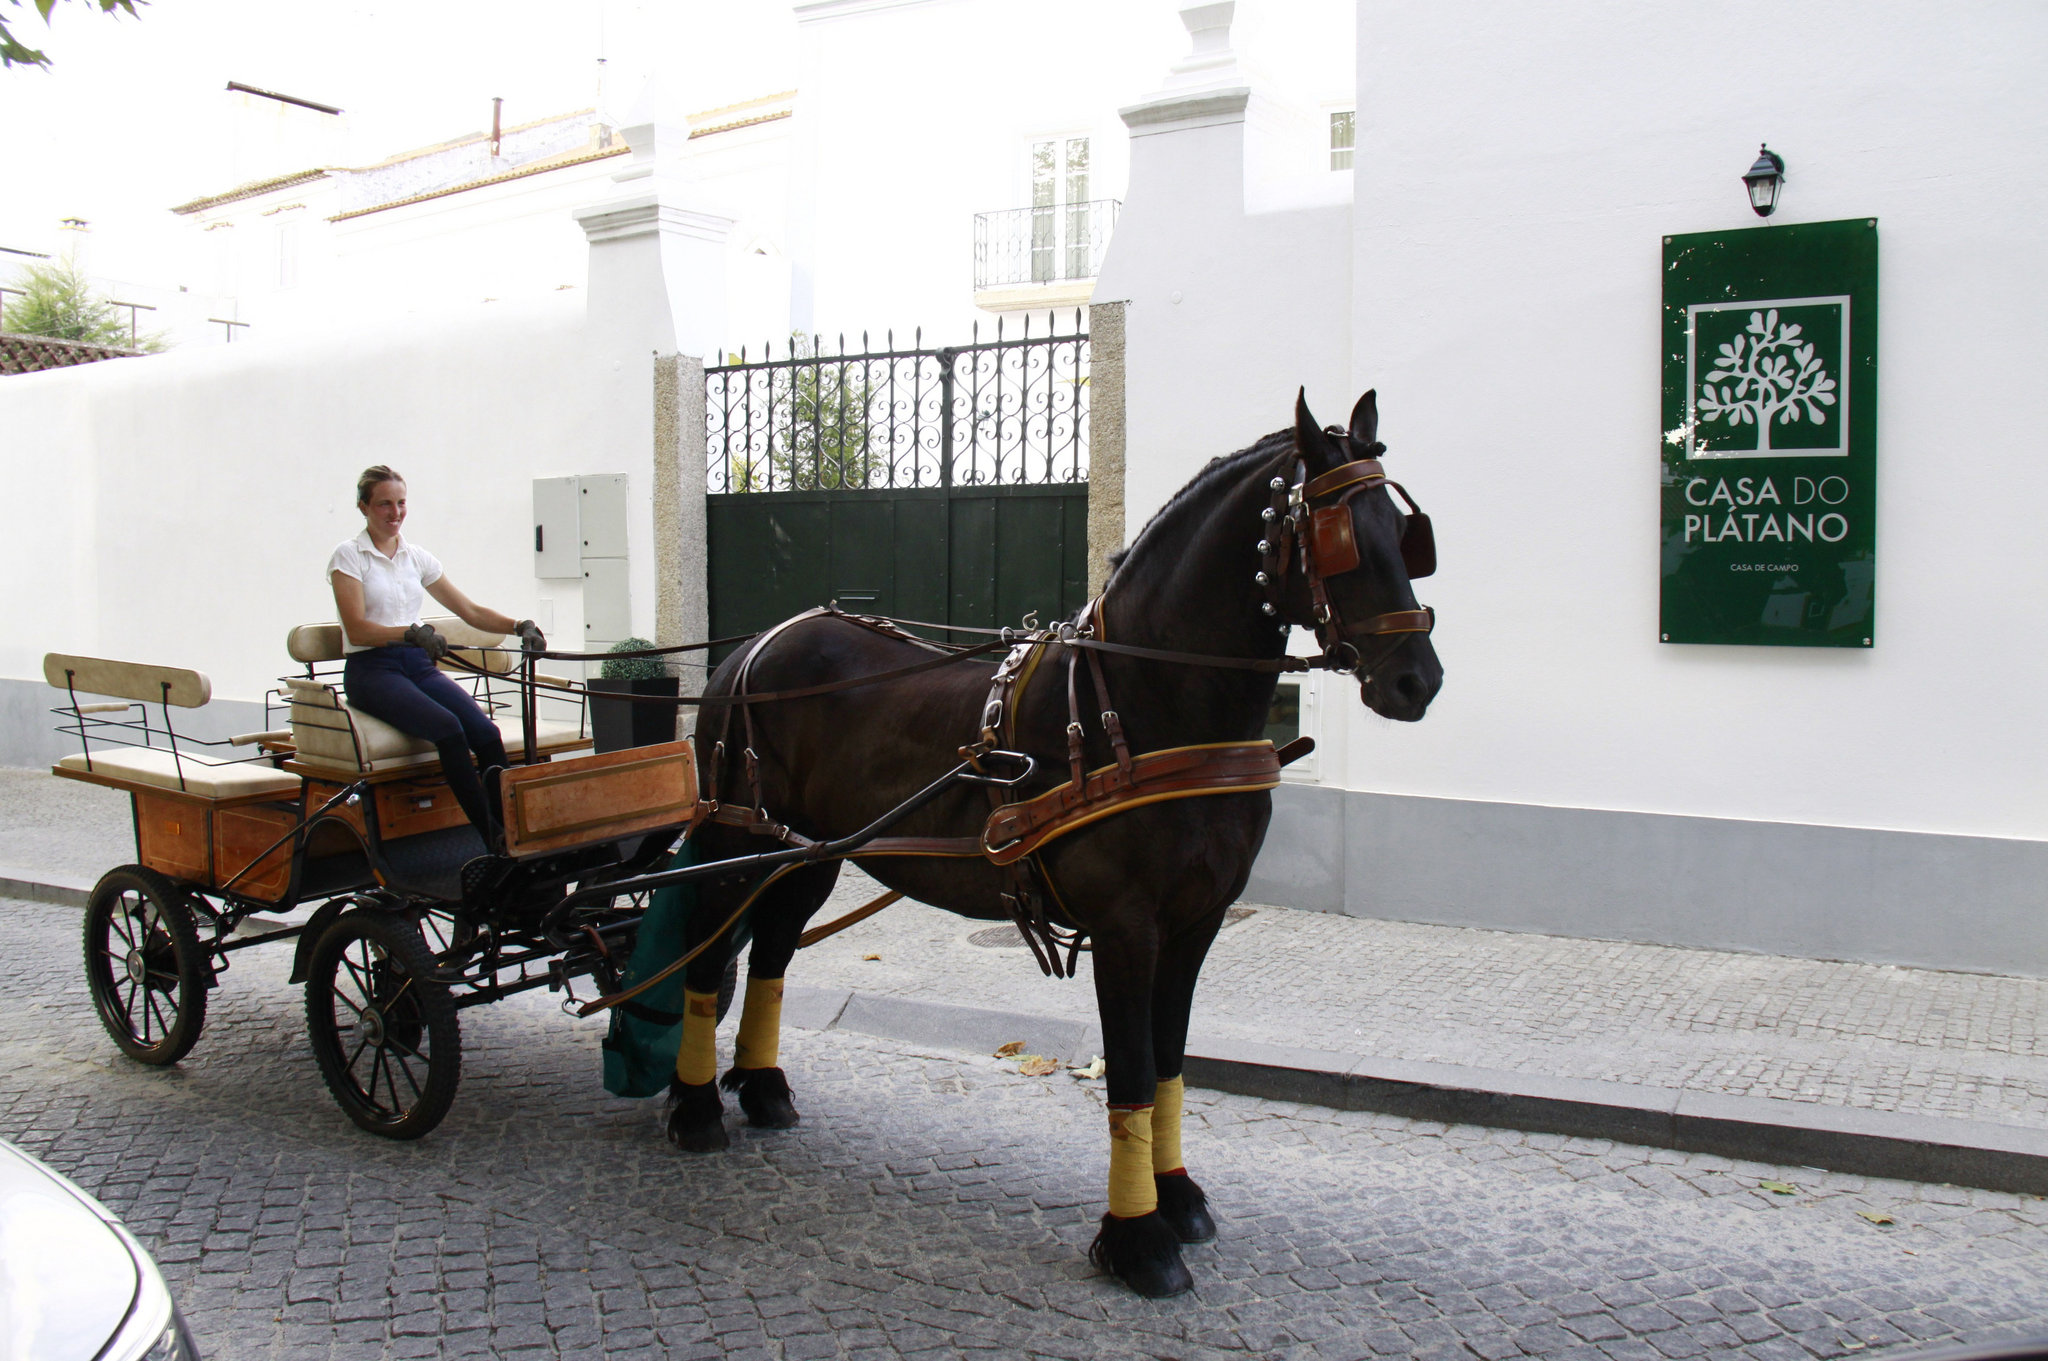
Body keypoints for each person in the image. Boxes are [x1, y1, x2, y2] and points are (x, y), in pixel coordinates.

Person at [328, 464, 544, 847]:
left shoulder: (416, 557)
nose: (395, 513)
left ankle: (516, 829)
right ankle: (491, 838)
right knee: (449, 730)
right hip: (371, 670)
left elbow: (471, 612)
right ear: (363, 507)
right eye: (383, 505)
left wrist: (519, 625)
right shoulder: (349, 556)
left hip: (415, 665)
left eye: (401, 503)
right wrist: (410, 633)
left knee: (486, 733)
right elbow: (358, 629)